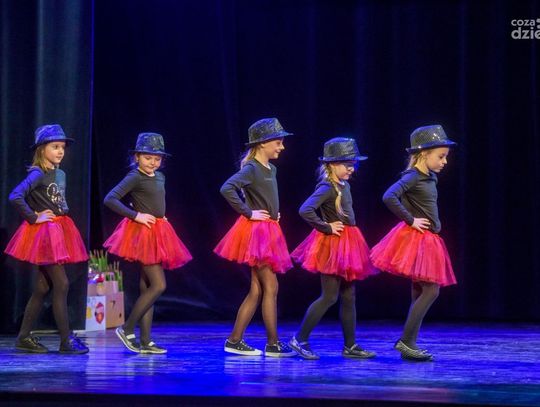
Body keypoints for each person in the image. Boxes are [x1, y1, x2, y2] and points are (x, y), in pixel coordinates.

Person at [370, 125, 457, 361]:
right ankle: (406, 341)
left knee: (419, 291)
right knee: (431, 289)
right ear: (424, 154)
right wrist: (410, 219)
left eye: (445, 157)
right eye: (441, 156)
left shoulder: (430, 177)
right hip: (418, 238)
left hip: (429, 239)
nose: (444, 162)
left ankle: (410, 344)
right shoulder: (412, 176)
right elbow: (389, 196)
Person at [289, 137, 377, 360]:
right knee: (329, 296)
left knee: (349, 296)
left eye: (353, 164)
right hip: (333, 245)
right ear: (331, 164)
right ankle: (299, 339)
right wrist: (326, 226)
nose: (351, 168)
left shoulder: (344, 185)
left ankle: (350, 345)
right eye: (346, 164)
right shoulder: (327, 187)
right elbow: (305, 209)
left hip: (349, 243)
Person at [104, 132, 192, 354]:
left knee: (147, 287)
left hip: (158, 231)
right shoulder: (135, 176)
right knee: (159, 285)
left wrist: (161, 216)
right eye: (147, 157)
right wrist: (136, 215)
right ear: (137, 157)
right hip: (143, 233)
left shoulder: (160, 177)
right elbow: (110, 199)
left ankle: (145, 340)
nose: (153, 162)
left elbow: (155, 200)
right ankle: (126, 328)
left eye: (157, 158)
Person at [214, 118, 295, 357]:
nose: (282, 147)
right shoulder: (252, 168)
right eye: (278, 142)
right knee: (271, 286)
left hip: (269, 229)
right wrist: (249, 212)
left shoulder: (271, 169)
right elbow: (227, 188)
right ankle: (273, 344)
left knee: (257, 290)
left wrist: (273, 212)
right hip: (258, 233)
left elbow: (265, 195)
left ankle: (234, 340)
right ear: (262, 143)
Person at [5, 124, 89, 354]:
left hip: (59, 230)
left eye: (62, 147)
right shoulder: (37, 173)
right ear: (42, 149)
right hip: (46, 234)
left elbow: (59, 200)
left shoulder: (59, 173)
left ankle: (23, 337)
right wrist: (34, 217)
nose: (60, 151)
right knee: (61, 284)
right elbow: (15, 196)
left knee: (43, 287)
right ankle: (66, 340)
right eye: (55, 147)